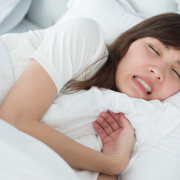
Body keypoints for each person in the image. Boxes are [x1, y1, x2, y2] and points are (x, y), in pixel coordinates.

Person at [0, 12, 180, 180]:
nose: (158, 71)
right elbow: (14, 120)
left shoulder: (118, 126)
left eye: (177, 72)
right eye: (154, 50)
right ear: (129, 42)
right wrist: (114, 163)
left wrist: (111, 158)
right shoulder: (87, 38)